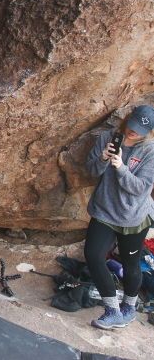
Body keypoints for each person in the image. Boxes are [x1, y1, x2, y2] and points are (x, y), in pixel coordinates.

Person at [84, 104, 154, 330]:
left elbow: (141, 188)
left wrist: (121, 167)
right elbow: (91, 170)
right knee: (93, 255)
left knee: (131, 264)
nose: (133, 132)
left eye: (140, 131)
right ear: (128, 119)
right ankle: (112, 309)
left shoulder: (150, 151)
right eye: (131, 126)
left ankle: (129, 307)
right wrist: (104, 159)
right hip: (104, 210)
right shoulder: (109, 137)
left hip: (133, 217)